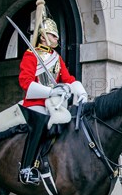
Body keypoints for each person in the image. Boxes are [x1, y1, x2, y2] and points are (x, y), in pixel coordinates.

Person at [18, 15, 87, 184]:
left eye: (56, 35)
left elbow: (68, 78)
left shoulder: (56, 57)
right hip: (35, 104)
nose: (57, 38)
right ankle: (26, 168)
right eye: (53, 35)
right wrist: (50, 91)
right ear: (42, 36)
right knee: (40, 123)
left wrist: (81, 92)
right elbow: (25, 82)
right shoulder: (31, 55)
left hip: (53, 104)